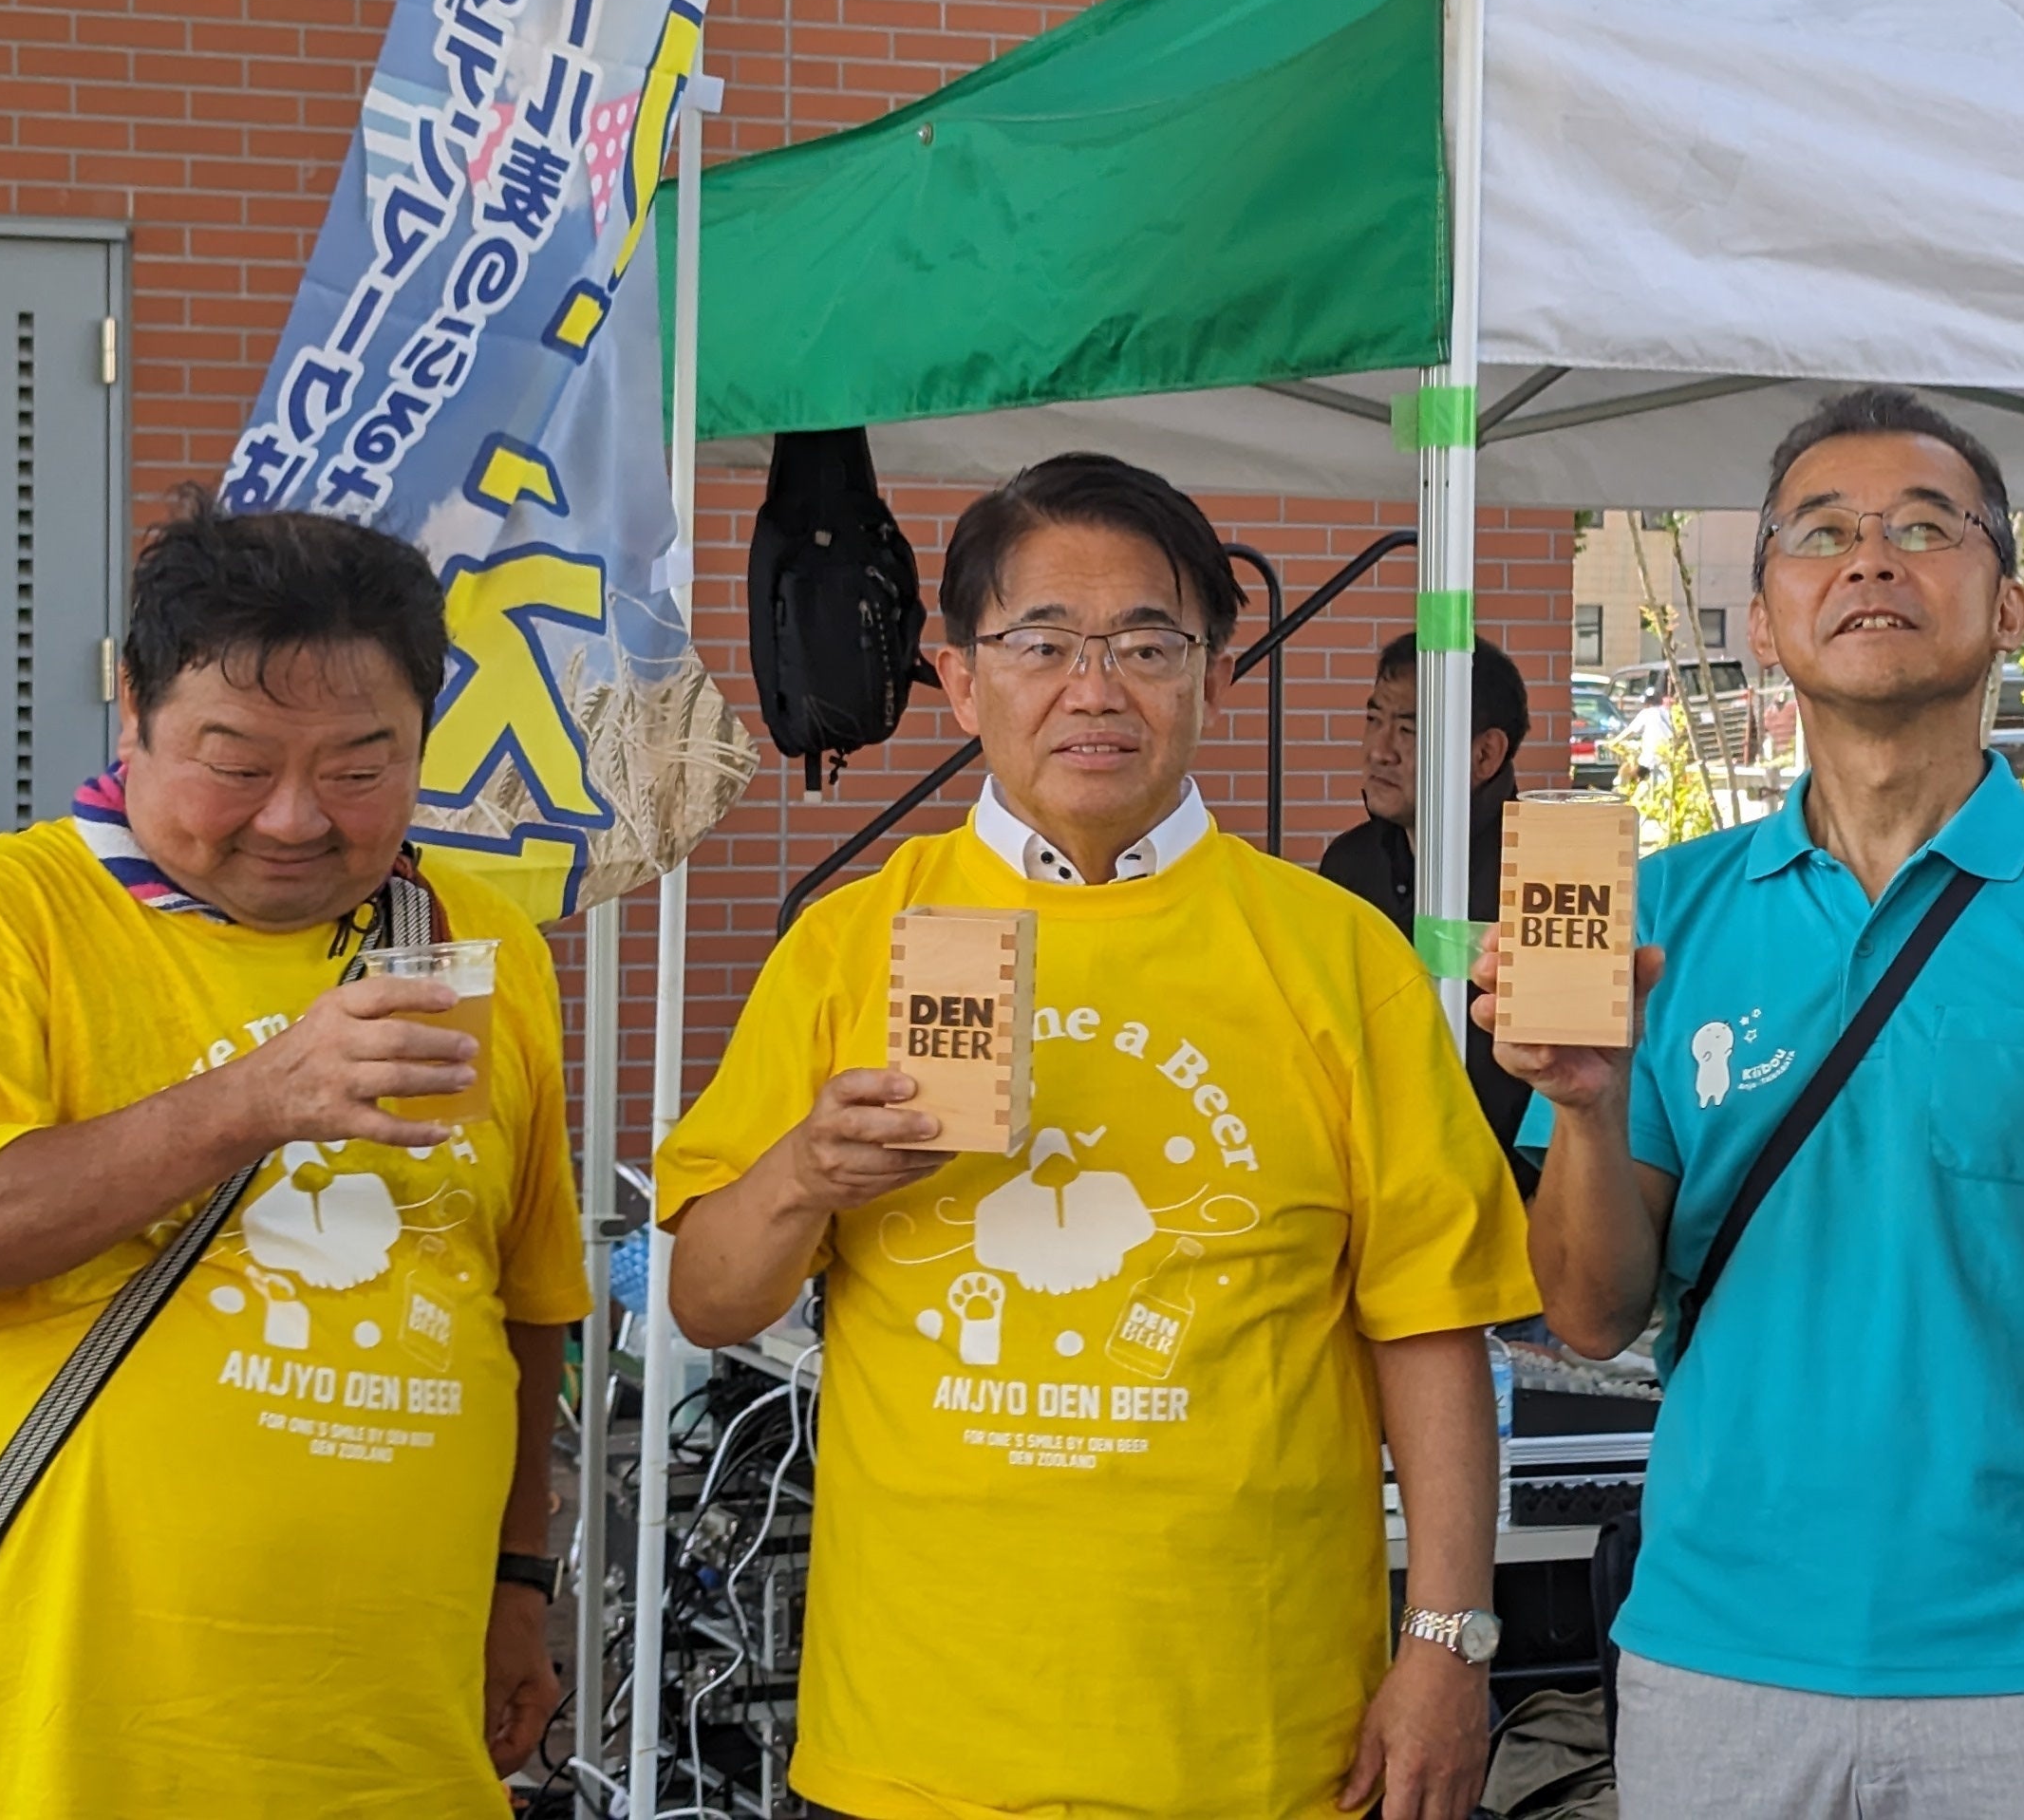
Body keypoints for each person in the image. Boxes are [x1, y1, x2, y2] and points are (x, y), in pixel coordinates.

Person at [659, 453, 1538, 1820]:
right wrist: (800, 1176)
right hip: (915, 1741)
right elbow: (709, 1302)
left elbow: (1428, 1322)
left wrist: (1447, 1642)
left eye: (1144, 644)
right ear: (960, 680)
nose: (1094, 689)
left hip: (1256, 1744)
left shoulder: (1336, 955)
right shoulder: (850, 943)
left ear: (1215, 677)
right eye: (1042, 643)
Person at [1499, 388, 2024, 1820]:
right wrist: (1592, 1108)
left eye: (1927, 527)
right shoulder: (1658, 916)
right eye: (1821, 533)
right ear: (1762, 619)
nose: (1871, 558)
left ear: (2010, 608)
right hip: (1716, 1662)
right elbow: (1589, 1314)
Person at [0, 499, 589, 1817]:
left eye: (361, 769)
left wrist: (518, 1584)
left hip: (393, 1733)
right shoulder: (2, 918)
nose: (295, 819)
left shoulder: (482, 947)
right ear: (133, 712)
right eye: (234, 764)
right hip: (69, 1738)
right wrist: (256, 1099)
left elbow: (525, 1301)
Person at [1321, 634, 1537, 1179]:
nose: (1380, 750)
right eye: (1374, 720)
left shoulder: (1544, 878)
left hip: (1509, 1190)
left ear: (1485, 754)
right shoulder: (1349, 864)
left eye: (1409, 730)